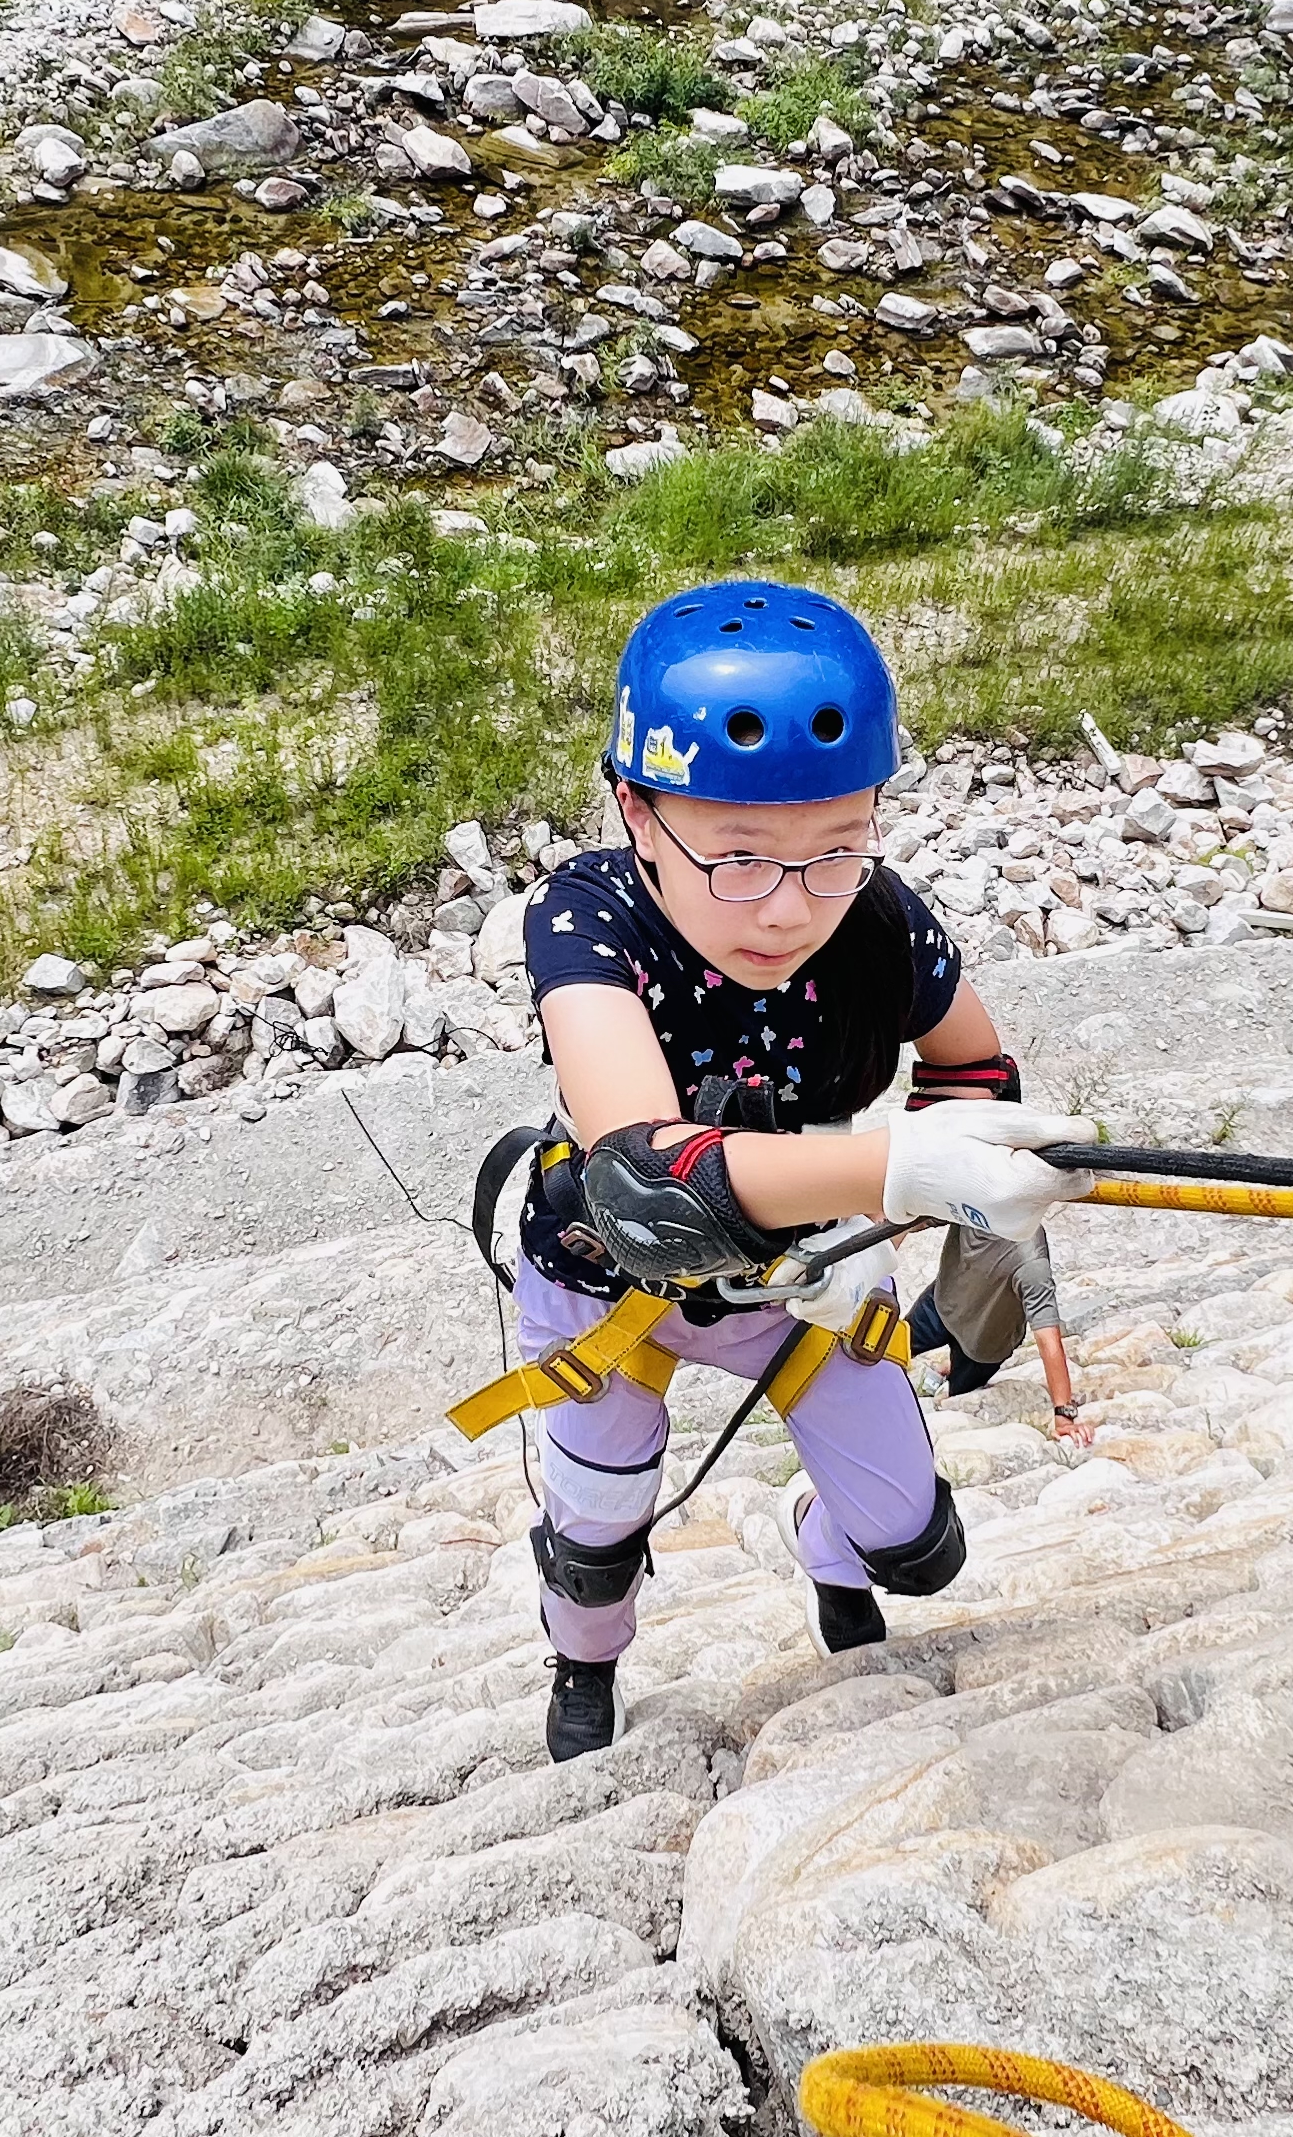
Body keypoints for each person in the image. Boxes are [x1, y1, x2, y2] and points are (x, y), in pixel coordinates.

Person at [500, 579, 1095, 1761]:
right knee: (597, 1531)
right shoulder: (587, 920)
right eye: (736, 858)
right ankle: (586, 1661)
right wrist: (888, 1172)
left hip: (804, 1280)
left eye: (837, 850)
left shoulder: (879, 922)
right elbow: (649, 1187)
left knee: (917, 1544)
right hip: (607, 1289)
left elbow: (974, 1069)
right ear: (636, 808)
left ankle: (826, 1547)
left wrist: (953, 1170)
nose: (786, 911)